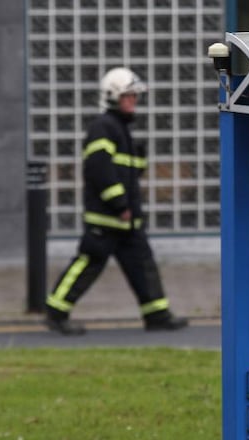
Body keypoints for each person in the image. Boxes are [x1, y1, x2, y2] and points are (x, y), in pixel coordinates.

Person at [44, 67, 188, 335]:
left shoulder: (121, 129)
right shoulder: (104, 127)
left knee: (143, 264)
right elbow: (99, 169)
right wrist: (120, 204)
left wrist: (138, 161)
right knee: (88, 264)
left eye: (134, 96)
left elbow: (129, 173)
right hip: (108, 217)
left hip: (127, 219)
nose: (133, 101)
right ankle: (55, 312)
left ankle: (156, 315)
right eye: (128, 96)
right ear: (112, 97)